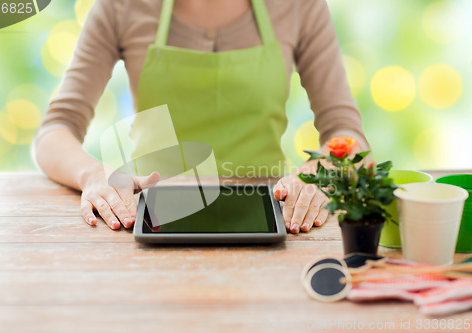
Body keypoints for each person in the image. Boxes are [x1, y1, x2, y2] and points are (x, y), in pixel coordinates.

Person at [35, 0, 370, 234]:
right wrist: (93, 175)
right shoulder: (120, 6)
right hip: (148, 217)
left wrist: (320, 171)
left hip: (271, 216)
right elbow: (56, 129)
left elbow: (346, 131)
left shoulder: (300, 5)